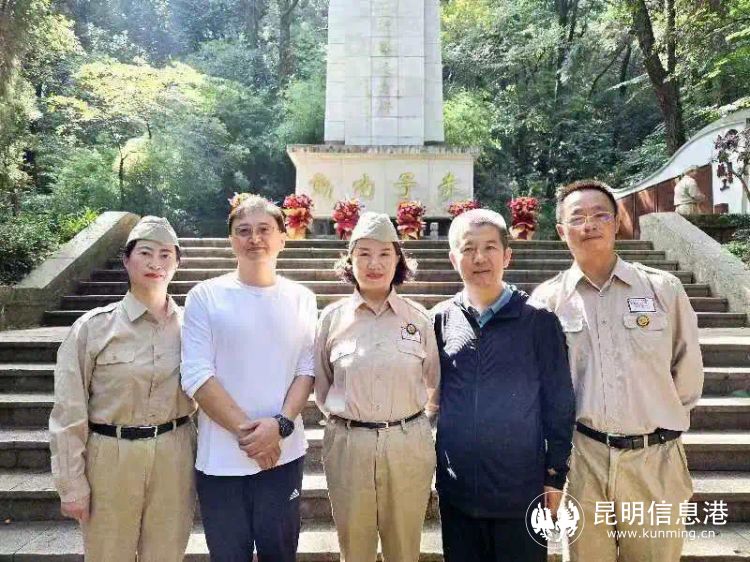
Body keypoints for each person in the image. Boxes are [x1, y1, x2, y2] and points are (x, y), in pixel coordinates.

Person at [530, 179, 704, 561]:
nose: (589, 224)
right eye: (577, 217)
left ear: (617, 222)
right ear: (561, 231)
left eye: (600, 215)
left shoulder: (662, 289)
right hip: (583, 461)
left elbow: (688, 368)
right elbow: (539, 386)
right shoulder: (547, 302)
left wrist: (657, 418)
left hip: (655, 459)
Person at [430, 208, 575, 562]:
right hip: (458, 492)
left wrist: (555, 475)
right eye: (468, 249)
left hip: (521, 492)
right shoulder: (440, 319)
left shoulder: (538, 320)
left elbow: (559, 402)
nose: (479, 258)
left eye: (489, 247)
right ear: (453, 259)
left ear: (507, 255)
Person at [49, 216, 196, 562]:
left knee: (166, 555)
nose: (155, 263)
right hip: (110, 457)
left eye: (165, 254)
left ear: (177, 263)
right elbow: (68, 412)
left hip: (174, 454)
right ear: (127, 260)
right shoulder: (93, 328)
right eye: (145, 253)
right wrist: (71, 484)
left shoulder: (194, 328)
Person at [180, 194, 317, 562]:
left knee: (281, 553)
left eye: (264, 229)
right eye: (243, 231)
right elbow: (196, 374)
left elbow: (306, 369)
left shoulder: (301, 298)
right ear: (231, 241)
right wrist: (254, 437)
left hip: (283, 457)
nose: (254, 238)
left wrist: (280, 426)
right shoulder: (205, 296)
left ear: (283, 238)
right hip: (221, 461)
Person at [315, 212, 440, 562]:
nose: (374, 263)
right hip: (348, 445)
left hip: (407, 444)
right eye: (364, 254)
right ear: (350, 260)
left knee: (404, 548)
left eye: (385, 253)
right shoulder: (332, 319)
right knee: (355, 549)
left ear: (398, 260)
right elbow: (322, 385)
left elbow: (435, 383)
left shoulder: (418, 318)